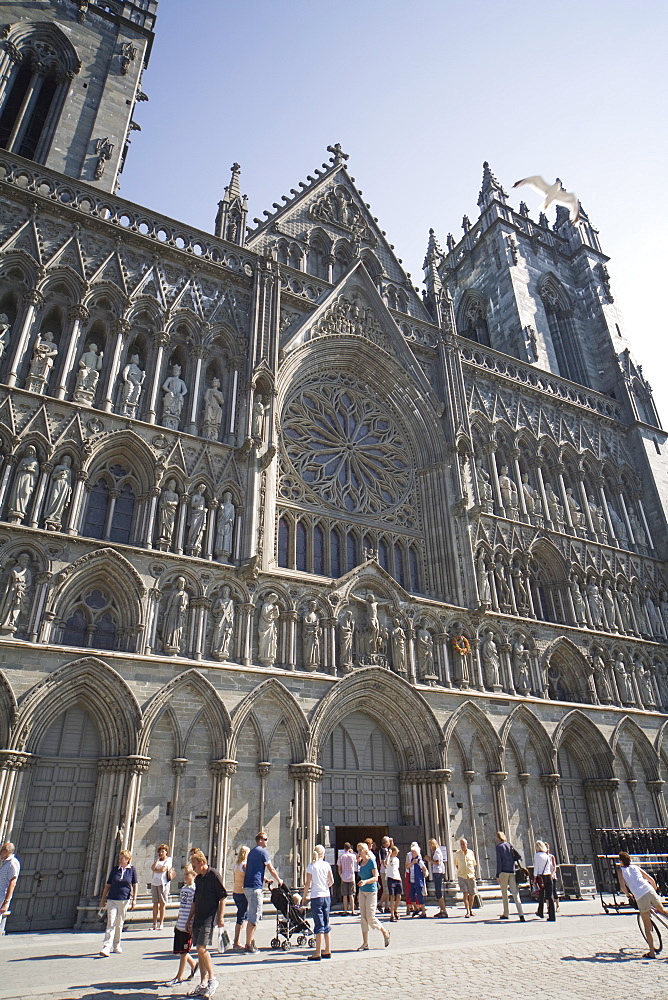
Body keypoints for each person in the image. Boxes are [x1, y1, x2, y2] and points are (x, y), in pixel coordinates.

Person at [185, 849, 227, 998]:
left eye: (194, 866)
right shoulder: (199, 879)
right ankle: (203, 984)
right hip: (198, 918)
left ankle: (212, 979)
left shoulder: (213, 875)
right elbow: (195, 901)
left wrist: (220, 918)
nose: (193, 869)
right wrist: (189, 919)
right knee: (198, 950)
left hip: (209, 917)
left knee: (202, 948)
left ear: (202, 863)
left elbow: (223, 897)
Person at [617, 850, 668, 959]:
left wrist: (628, 895)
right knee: (662, 911)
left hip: (640, 895)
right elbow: (651, 879)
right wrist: (654, 888)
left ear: (620, 861)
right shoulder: (635, 867)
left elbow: (623, 887)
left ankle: (652, 952)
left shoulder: (620, 871)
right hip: (649, 890)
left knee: (647, 924)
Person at [243, 831, 282, 953]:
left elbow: (252, 869)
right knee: (254, 917)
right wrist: (279, 880)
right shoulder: (262, 852)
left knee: (254, 914)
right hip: (255, 888)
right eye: (265, 839)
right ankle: (248, 944)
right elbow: (271, 868)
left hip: (248, 886)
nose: (267, 841)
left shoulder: (251, 853)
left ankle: (251, 940)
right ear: (259, 840)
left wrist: (265, 879)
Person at [164, 863, 198, 986]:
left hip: (187, 925)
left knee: (184, 952)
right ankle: (194, 965)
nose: (184, 876)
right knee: (181, 951)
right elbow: (182, 907)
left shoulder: (195, 889)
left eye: (187, 874)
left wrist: (191, 924)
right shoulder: (184, 889)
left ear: (194, 875)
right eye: (184, 874)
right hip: (180, 923)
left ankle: (179, 976)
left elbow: (195, 908)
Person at [98, 849, 137, 956]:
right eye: (119, 858)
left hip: (124, 900)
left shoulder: (132, 870)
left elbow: (135, 885)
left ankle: (116, 945)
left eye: (122, 858)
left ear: (128, 859)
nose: (120, 860)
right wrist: (103, 898)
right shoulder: (115, 869)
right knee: (111, 922)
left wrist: (134, 900)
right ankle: (106, 946)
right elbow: (108, 884)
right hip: (112, 899)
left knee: (119, 923)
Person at [301, 844, 334, 960]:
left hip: (316, 896)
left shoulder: (311, 866)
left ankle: (317, 952)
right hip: (326, 895)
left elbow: (308, 883)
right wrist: (326, 886)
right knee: (326, 923)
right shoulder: (327, 865)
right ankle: (328, 949)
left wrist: (304, 897)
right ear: (323, 854)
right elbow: (331, 881)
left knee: (319, 924)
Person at [356, 842, 390, 950]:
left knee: (370, 917)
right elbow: (359, 876)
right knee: (363, 917)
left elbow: (376, 877)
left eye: (361, 850)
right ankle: (365, 943)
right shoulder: (360, 862)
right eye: (358, 850)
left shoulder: (371, 861)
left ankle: (385, 931)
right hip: (362, 891)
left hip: (371, 891)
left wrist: (365, 882)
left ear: (366, 850)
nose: (359, 852)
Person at [495, 831, 525, 922]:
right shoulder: (509, 845)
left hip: (503, 872)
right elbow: (518, 856)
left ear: (498, 838)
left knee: (505, 894)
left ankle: (506, 913)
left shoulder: (499, 847)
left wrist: (497, 875)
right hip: (512, 871)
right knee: (515, 894)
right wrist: (512, 861)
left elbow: (499, 862)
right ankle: (521, 914)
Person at [453, 837, 477, 918]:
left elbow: (474, 864)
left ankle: (471, 909)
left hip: (471, 876)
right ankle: (467, 911)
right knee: (465, 893)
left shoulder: (471, 852)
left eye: (464, 844)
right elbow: (456, 864)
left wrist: (473, 872)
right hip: (462, 876)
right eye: (461, 844)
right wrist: (461, 870)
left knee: (472, 894)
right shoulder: (457, 853)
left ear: (467, 844)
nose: (462, 845)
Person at [151, 843, 172, 930]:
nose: (161, 853)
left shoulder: (169, 859)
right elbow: (152, 868)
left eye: (163, 851)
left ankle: (161, 923)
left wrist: (157, 870)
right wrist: (157, 861)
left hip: (163, 883)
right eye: (160, 851)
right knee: (155, 903)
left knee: (162, 903)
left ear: (166, 852)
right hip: (154, 883)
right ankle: (154, 923)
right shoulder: (158, 860)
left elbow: (163, 869)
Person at [533, 840, 555, 922]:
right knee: (550, 896)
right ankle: (552, 915)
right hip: (548, 876)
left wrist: (534, 878)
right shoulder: (546, 855)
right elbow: (549, 866)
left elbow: (536, 867)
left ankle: (541, 912)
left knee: (541, 894)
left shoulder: (537, 855)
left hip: (541, 877)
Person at [232, 845, 249, 949]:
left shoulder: (236, 865)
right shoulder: (245, 865)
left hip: (235, 892)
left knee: (242, 915)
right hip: (243, 893)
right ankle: (236, 941)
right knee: (241, 917)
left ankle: (237, 939)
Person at [0, 841, 20, 925]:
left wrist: (6, 902)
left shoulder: (12, 863)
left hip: (1, 897)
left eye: (2, 850)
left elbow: (12, 882)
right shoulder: (6, 862)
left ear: (7, 851)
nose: (0, 852)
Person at [427, 838, 448, 917]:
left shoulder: (437, 851)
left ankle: (444, 910)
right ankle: (441, 909)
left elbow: (437, 862)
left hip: (438, 872)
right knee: (437, 891)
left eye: (430, 845)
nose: (429, 847)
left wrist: (429, 860)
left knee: (438, 891)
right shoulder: (436, 851)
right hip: (437, 872)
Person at [407, 842, 428, 918]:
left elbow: (424, 868)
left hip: (418, 880)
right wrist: (412, 863)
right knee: (411, 895)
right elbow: (407, 867)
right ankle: (416, 908)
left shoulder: (419, 860)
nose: (412, 853)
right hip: (412, 879)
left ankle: (423, 911)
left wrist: (422, 876)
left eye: (413, 852)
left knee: (419, 895)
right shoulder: (412, 860)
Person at [337, 842, 357, 916]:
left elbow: (339, 867)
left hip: (344, 877)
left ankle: (345, 910)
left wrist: (341, 875)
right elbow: (357, 861)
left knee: (344, 895)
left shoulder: (341, 856)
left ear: (344, 848)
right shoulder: (353, 856)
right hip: (351, 876)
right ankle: (353, 910)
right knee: (351, 894)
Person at [384, 846, 402, 922]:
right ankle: (391, 915)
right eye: (394, 853)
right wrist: (389, 854)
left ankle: (395, 910)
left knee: (399, 896)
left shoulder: (397, 860)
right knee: (392, 896)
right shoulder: (388, 858)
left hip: (397, 877)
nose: (395, 854)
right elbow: (386, 864)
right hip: (390, 877)